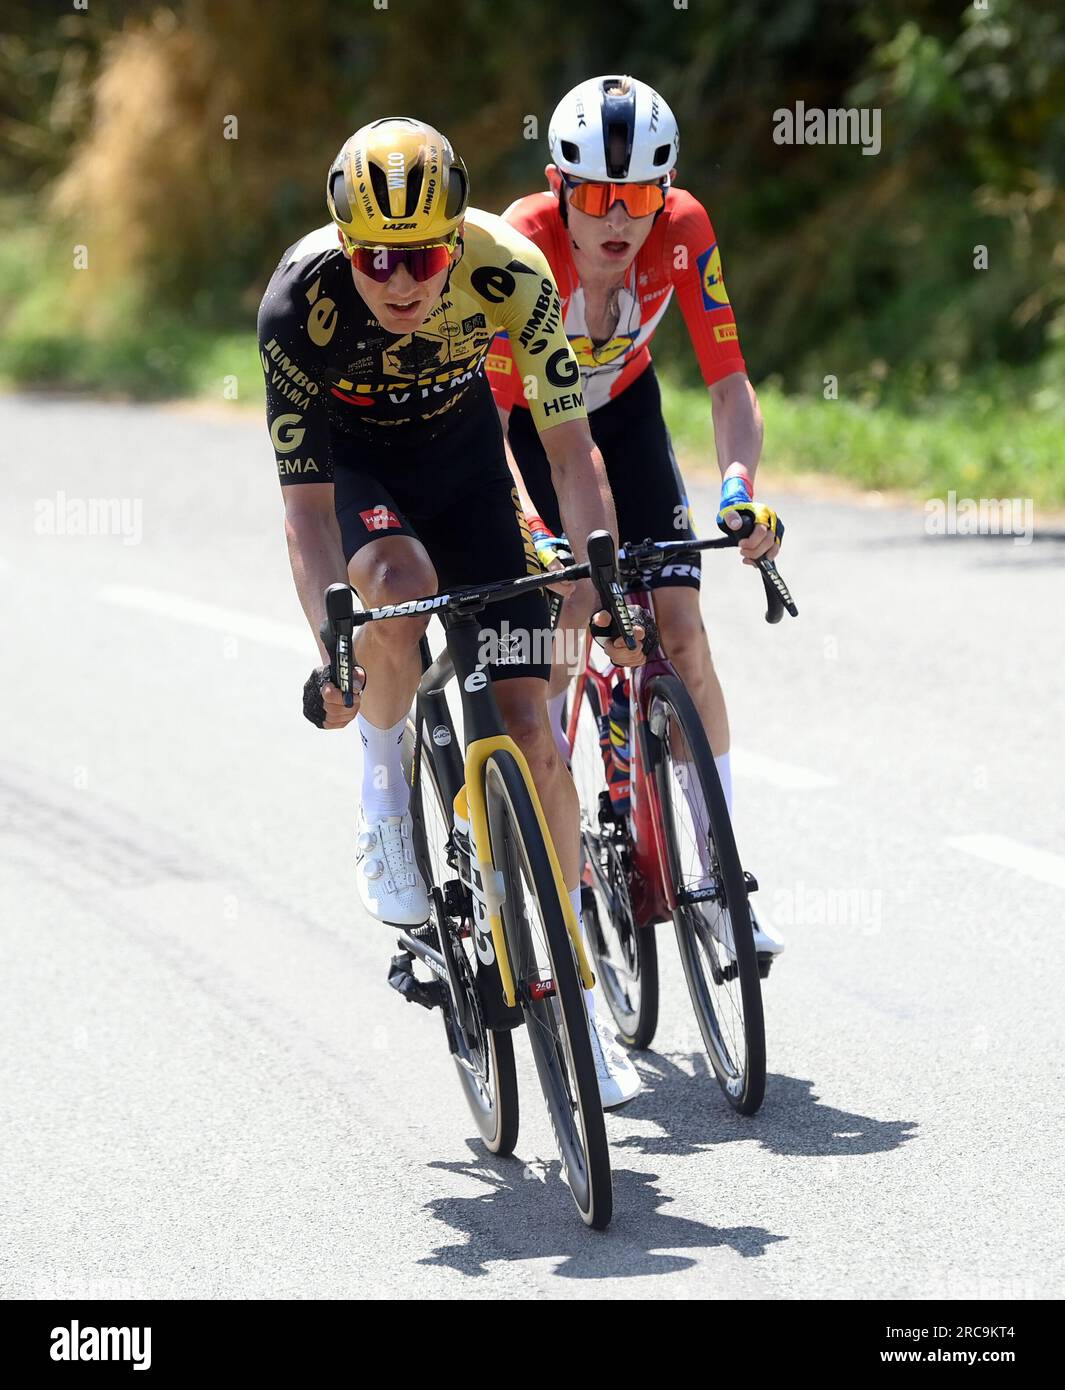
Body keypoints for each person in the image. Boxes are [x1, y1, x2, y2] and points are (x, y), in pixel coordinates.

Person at [257, 117, 644, 1103]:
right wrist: (332, 644)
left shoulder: (511, 273)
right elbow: (305, 516)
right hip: (361, 470)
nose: (401, 280)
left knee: (531, 726)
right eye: (377, 258)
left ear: (454, 241)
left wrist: (594, 580)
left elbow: (570, 454)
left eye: (423, 255)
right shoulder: (301, 307)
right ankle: (384, 787)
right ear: (348, 250)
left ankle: (577, 996)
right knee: (389, 584)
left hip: (469, 465)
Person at [487, 76, 785, 964]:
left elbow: (729, 384)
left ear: (667, 189)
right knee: (576, 602)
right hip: (528, 427)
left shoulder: (685, 230)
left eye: (642, 196)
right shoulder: (522, 244)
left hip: (621, 406)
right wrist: (543, 541)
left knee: (683, 629)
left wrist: (737, 487)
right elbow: (489, 426)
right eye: (599, 197)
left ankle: (720, 877)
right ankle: (563, 847)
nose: (621, 219)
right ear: (558, 185)